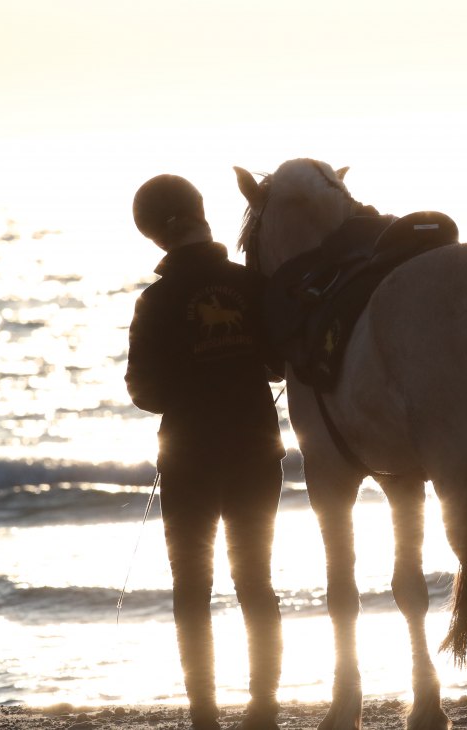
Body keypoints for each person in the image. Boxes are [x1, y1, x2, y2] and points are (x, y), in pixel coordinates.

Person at [126, 174, 285, 730]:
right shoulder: (252, 285)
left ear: (152, 236)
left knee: (192, 586)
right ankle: (263, 707)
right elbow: (279, 362)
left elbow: (144, 392)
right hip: (256, 449)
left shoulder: (156, 300)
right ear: (200, 212)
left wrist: (189, 381)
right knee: (256, 581)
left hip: (189, 458)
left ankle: (205, 715)